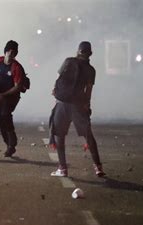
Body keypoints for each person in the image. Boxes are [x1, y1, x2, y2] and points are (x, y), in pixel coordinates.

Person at [49, 41, 105, 177]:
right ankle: (98, 167)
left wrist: (55, 91)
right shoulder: (91, 70)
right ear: (90, 53)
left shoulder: (68, 61)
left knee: (59, 135)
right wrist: (87, 106)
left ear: (78, 51)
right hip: (78, 105)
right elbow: (88, 91)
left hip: (62, 103)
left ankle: (62, 168)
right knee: (88, 135)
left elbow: (58, 78)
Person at [0, 40, 25, 157]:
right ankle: (8, 143)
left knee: (5, 115)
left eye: (15, 52)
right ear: (6, 51)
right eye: (10, 51)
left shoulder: (17, 67)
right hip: (0, 94)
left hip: (12, 96)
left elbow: (17, 87)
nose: (12, 54)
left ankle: (12, 143)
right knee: (1, 120)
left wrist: (3, 95)